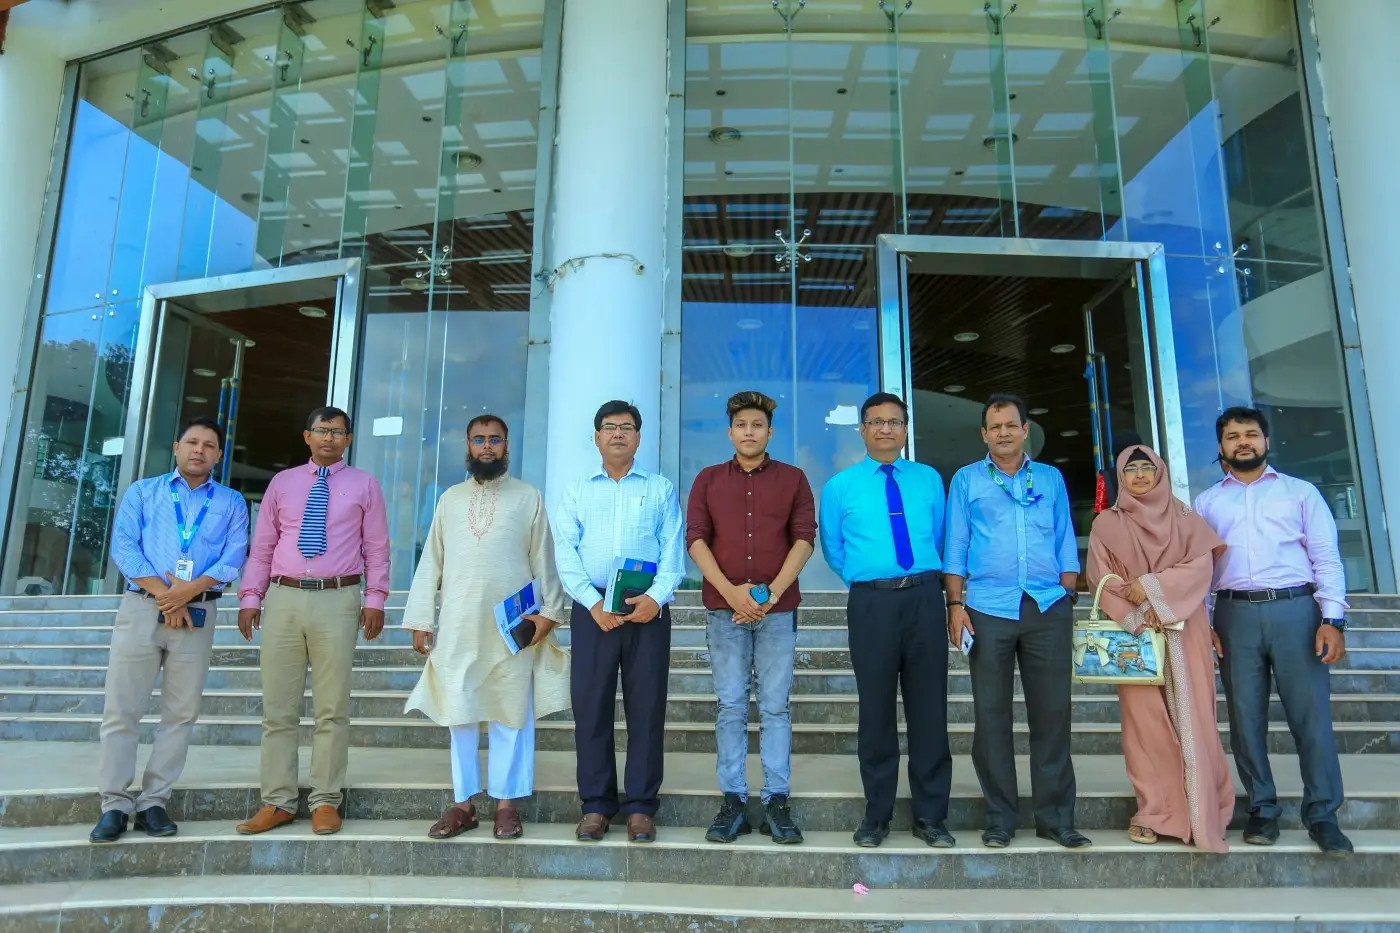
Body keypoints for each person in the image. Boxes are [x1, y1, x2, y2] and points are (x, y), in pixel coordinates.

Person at [400, 415, 571, 840]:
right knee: (459, 714)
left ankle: (506, 806)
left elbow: (544, 561)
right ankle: (463, 804)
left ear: (507, 446)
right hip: (458, 624)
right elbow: (431, 561)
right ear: (468, 445)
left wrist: (549, 615)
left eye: (495, 439)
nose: (488, 446)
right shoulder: (450, 500)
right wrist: (421, 619)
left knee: (510, 713)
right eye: (480, 439)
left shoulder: (528, 497)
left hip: (511, 628)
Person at [1193, 406, 1353, 856]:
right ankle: (1262, 809)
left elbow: (1326, 557)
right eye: (1233, 436)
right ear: (1221, 447)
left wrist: (1332, 619)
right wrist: (1204, 622)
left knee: (1311, 718)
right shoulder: (1207, 504)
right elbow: (1198, 570)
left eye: (1251, 434)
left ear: (1266, 441)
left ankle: (1322, 814)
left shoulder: (1300, 493)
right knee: (1245, 720)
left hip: (1296, 611)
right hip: (1234, 616)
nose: (1242, 442)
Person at [88, 417, 250, 844]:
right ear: (176, 447)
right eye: (192, 442)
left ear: (218, 455)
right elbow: (125, 547)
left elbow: (234, 556)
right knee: (122, 710)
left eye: (209, 445)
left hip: (197, 614)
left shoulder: (232, 502)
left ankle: (154, 802)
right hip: (142, 608)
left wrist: (186, 594)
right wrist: (167, 596)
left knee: (180, 714)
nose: (199, 450)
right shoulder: (143, 492)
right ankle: (114, 804)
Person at [234, 406, 390, 837]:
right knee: (278, 710)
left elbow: (377, 548)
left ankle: (325, 800)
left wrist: (375, 598)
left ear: (348, 439)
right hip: (283, 598)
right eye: (321, 430)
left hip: (338, 599)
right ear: (307, 436)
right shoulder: (282, 483)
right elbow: (263, 546)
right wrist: (251, 596)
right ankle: (278, 801)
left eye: (337, 432)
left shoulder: (365, 485)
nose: (328, 438)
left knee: (331, 709)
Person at [944, 393, 1089, 850]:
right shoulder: (967, 480)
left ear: (1026, 430)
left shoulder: (1049, 477)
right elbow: (956, 544)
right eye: (995, 427)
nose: (1003, 432)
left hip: (1047, 607)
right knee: (991, 716)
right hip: (988, 609)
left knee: (1053, 714)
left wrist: (1068, 590)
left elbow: (1064, 535)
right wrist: (955, 604)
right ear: (984, 434)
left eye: (1011, 425)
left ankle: (1056, 819)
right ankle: (1000, 819)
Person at [819, 392, 954, 849]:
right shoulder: (840, 487)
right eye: (876, 422)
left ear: (905, 429)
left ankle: (930, 816)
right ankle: (877, 816)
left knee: (929, 709)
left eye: (894, 422)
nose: (885, 429)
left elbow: (940, 536)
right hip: (871, 604)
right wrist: (871, 578)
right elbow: (835, 549)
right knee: (875, 711)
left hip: (925, 598)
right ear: (862, 429)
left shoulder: (929, 479)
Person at [1087, 446, 1233, 851]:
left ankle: (1205, 809)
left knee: (1195, 717)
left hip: (1186, 629)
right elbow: (1100, 576)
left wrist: (1152, 589)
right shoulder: (1107, 524)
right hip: (1134, 634)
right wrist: (1138, 613)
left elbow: (1200, 568)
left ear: (1160, 473)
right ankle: (1155, 812)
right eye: (1130, 469)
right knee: (1144, 726)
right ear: (1120, 477)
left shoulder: (1185, 518)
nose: (1138, 475)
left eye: (1146, 468)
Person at [552, 400, 685, 844]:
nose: (618, 434)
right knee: (591, 708)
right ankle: (596, 805)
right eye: (609, 427)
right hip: (593, 609)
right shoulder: (576, 490)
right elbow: (566, 553)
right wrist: (593, 604)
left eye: (627, 427)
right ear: (596, 437)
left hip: (646, 609)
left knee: (647, 709)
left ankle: (641, 807)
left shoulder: (660, 488)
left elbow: (672, 550)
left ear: (639, 437)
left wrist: (655, 599)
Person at [687, 391, 816, 845]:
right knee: (731, 706)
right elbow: (696, 539)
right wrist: (732, 594)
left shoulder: (793, 479)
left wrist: (770, 593)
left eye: (757, 425)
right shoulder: (707, 480)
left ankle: (777, 800)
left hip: (778, 611)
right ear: (730, 432)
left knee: (776, 707)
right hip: (725, 612)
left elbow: (804, 539)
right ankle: (734, 802)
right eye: (741, 424)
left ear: (769, 432)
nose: (749, 432)